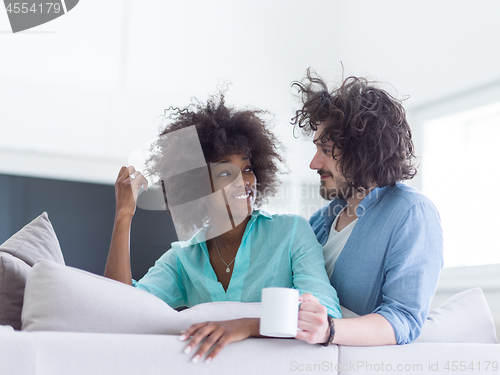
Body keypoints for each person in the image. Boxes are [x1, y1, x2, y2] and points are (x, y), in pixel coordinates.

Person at [105, 92, 342, 364]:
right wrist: (124, 215)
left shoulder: (290, 233)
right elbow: (119, 310)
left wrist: (248, 325)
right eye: (226, 173)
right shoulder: (183, 259)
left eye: (248, 168)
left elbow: (325, 312)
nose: (244, 182)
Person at [291, 70, 443, 346]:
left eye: (325, 150)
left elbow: (404, 319)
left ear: (363, 151)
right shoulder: (322, 219)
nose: (314, 164)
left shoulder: (411, 213)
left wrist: (329, 330)